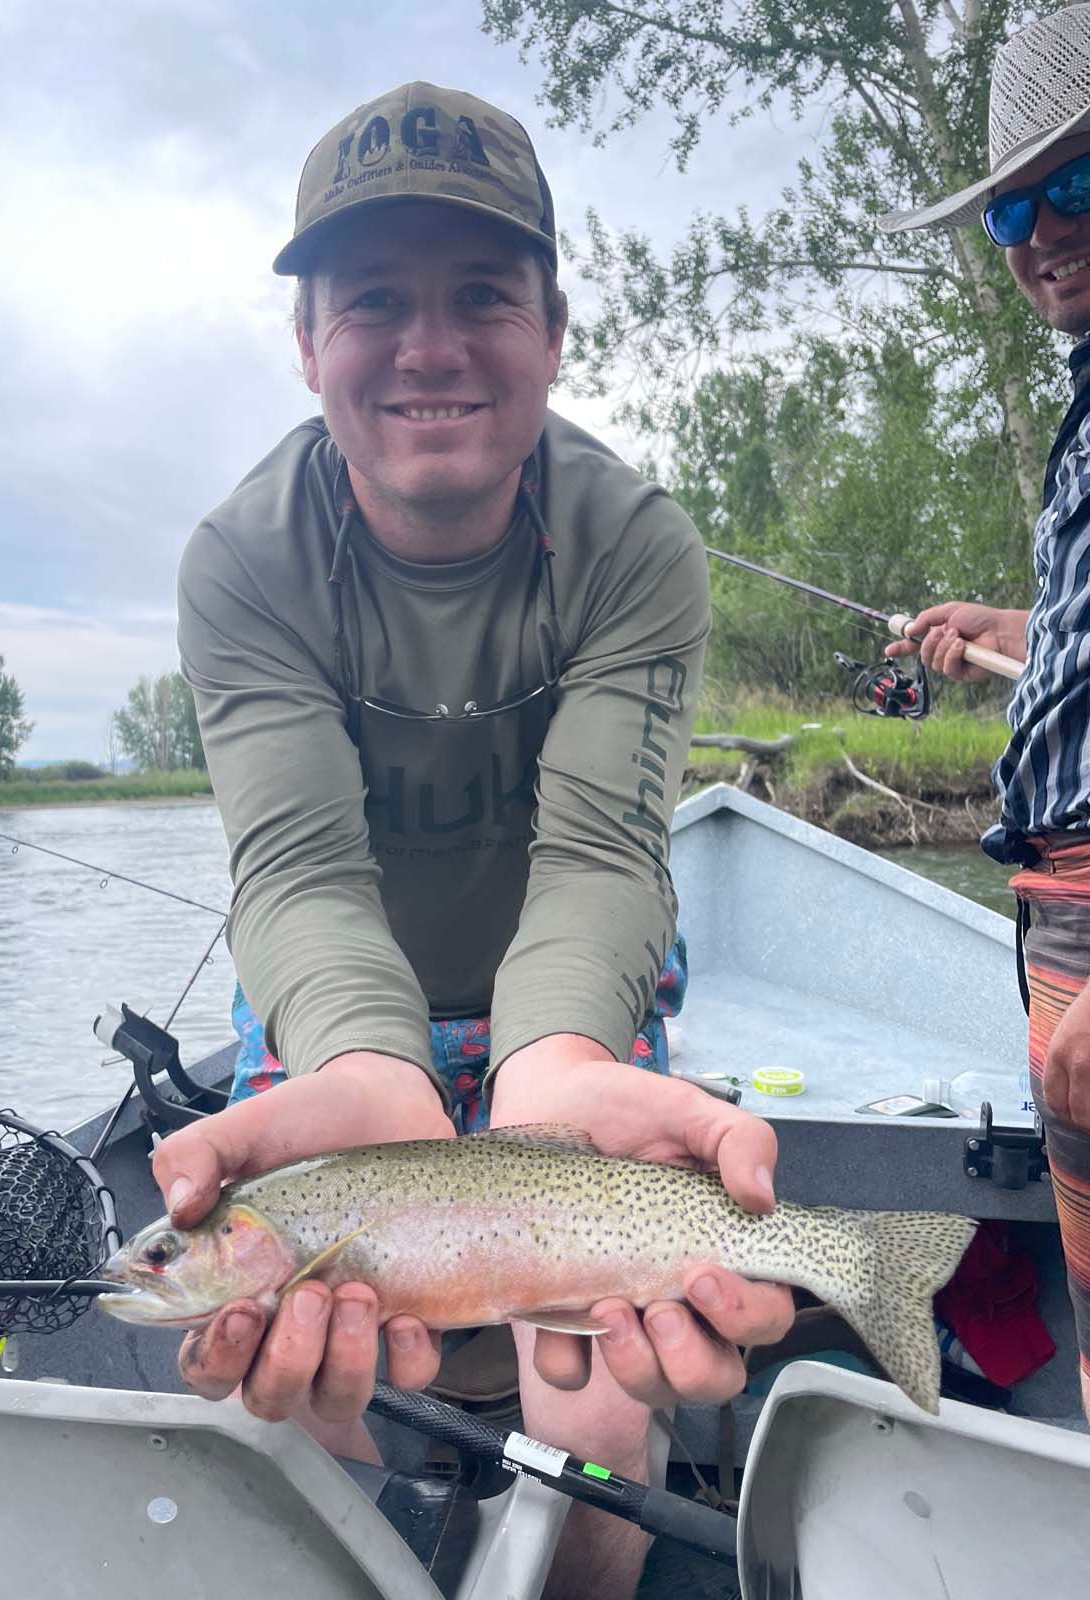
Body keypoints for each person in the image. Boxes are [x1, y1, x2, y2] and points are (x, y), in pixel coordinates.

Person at [159, 83, 793, 1599]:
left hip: (565, 1000)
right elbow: (301, 872)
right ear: (309, 343)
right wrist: (370, 1073)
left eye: (483, 296)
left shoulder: (634, 542)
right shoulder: (241, 563)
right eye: (376, 299)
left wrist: (552, 1060)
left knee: (593, 1399)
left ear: (555, 330)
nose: (430, 346)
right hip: (332, 1016)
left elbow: (596, 855)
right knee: (297, 1381)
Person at [882, 5, 1090, 1423]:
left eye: (1076, 184)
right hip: (1057, 926)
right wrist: (1017, 633)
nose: (1038, 232)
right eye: (1017, 202)